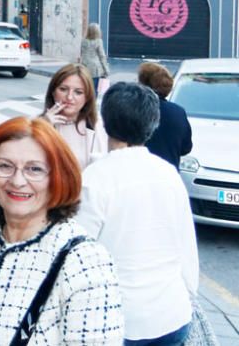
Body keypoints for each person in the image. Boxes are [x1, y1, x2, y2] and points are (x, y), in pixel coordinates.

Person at [0, 117, 124, 345]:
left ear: (58, 177)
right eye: (5, 166)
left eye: (34, 169)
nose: (17, 181)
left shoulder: (85, 262)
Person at [77, 82, 199, 346]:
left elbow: (79, 256)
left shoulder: (94, 179)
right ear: (152, 124)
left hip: (117, 321)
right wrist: (189, 294)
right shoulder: (168, 173)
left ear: (106, 122)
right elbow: (186, 244)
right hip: (171, 314)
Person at [42, 63, 108, 168]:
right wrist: (43, 128)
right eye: (63, 89)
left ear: (87, 97)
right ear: (53, 92)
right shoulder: (37, 124)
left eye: (78, 92)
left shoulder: (97, 126)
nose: (69, 97)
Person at [137, 62, 193, 169]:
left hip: (140, 174)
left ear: (143, 84)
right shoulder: (178, 112)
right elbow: (186, 148)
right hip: (169, 176)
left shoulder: (134, 109)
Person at [79, 23, 110, 93]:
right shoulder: (98, 41)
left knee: (85, 87)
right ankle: (92, 103)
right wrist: (106, 69)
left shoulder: (83, 41)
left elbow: (81, 53)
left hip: (84, 66)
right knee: (94, 89)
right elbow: (102, 56)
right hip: (95, 69)